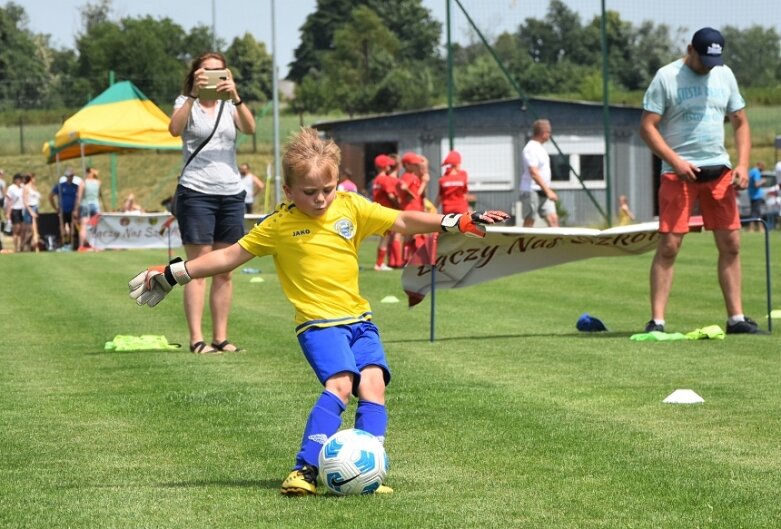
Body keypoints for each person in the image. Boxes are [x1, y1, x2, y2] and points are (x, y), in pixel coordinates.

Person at [128, 127, 510, 496]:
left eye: (327, 189)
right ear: (289, 190)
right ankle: (305, 469)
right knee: (342, 384)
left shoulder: (352, 207)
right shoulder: (277, 225)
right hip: (319, 325)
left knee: (374, 386)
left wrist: (454, 221)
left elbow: (402, 220)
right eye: (310, 192)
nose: (321, 199)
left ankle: (369, 467)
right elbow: (229, 256)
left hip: (360, 321)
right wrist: (174, 273)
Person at [639, 27, 762, 334]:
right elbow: (648, 127)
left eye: (714, 60)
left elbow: (741, 122)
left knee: (731, 244)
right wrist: (675, 160)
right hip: (678, 172)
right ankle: (657, 322)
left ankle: (736, 319)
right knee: (669, 246)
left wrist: (743, 165)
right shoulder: (666, 77)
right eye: (704, 59)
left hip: (719, 172)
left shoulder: (725, 75)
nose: (709, 66)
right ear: (690, 49)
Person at [168, 51, 256, 354]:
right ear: (196, 74)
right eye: (207, 71)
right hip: (196, 191)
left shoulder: (230, 105)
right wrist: (193, 95)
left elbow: (251, 128)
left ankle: (221, 338)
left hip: (231, 191)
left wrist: (236, 96)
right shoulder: (185, 103)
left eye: (220, 71)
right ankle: (197, 340)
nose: (213, 76)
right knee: (197, 267)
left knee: (226, 270)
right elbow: (174, 129)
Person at [519, 119, 558, 227]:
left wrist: (547, 190)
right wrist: (549, 191)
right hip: (531, 190)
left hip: (543, 190)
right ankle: (523, 243)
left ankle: (557, 243)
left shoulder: (540, 148)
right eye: (549, 132)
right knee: (530, 219)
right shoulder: (530, 149)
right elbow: (534, 173)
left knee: (553, 219)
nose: (550, 135)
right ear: (543, 133)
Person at [371, 154, 399, 271]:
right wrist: (398, 205)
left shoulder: (376, 179)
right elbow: (391, 195)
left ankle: (380, 263)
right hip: (386, 211)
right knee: (385, 238)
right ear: (384, 166)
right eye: (388, 164)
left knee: (385, 237)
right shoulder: (384, 179)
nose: (390, 166)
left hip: (378, 210)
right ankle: (379, 264)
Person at [49, 167, 81, 247]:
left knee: (72, 227)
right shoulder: (60, 186)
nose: (70, 177)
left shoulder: (76, 186)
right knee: (62, 226)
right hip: (63, 210)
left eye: (71, 175)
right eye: (69, 176)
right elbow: (50, 196)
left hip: (73, 210)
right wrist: (55, 208)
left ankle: (71, 243)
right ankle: (64, 243)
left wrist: (77, 208)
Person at [435, 150, 472, 215]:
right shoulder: (463, 175)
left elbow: (440, 196)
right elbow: (465, 194)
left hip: (447, 209)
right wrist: (469, 207)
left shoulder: (443, 179)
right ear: (457, 164)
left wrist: (434, 207)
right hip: (461, 208)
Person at [77, 167, 105, 250]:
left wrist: (76, 208)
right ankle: (97, 246)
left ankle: (81, 246)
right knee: (96, 226)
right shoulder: (98, 182)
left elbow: (79, 196)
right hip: (95, 205)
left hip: (85, 205)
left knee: (84, 226)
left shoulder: (83, 182)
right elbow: (100, 195)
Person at [22, 173, 41, 252]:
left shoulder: (34, 187)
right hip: (30, 209)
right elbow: (25, 201)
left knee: (35, 230)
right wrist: (31, 212)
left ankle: (32, 248)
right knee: (30, 231)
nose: (35, 180)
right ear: (31, 178)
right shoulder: (26, 188)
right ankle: (23, 246)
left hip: (35, 208)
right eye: (34, 178)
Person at [7, 173, 25, 252]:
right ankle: (16, 247)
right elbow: (9, 201)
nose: (20, 181)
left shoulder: (22, 187)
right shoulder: (11, 188)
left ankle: (20, 247)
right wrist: (8, 212)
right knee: (16, 228)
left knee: (21, 229)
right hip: (15, 209)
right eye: (19, 179)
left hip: (22, 209)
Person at [747, 161, 766, 232]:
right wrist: (763, 181)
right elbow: (757, 184)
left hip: (751, 194)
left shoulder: (751, 171)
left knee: (754, 212)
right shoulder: (757, 172)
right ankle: (758, 228)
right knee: (757, 213)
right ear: (761, 166)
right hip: (756, 195)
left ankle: (753, 228)